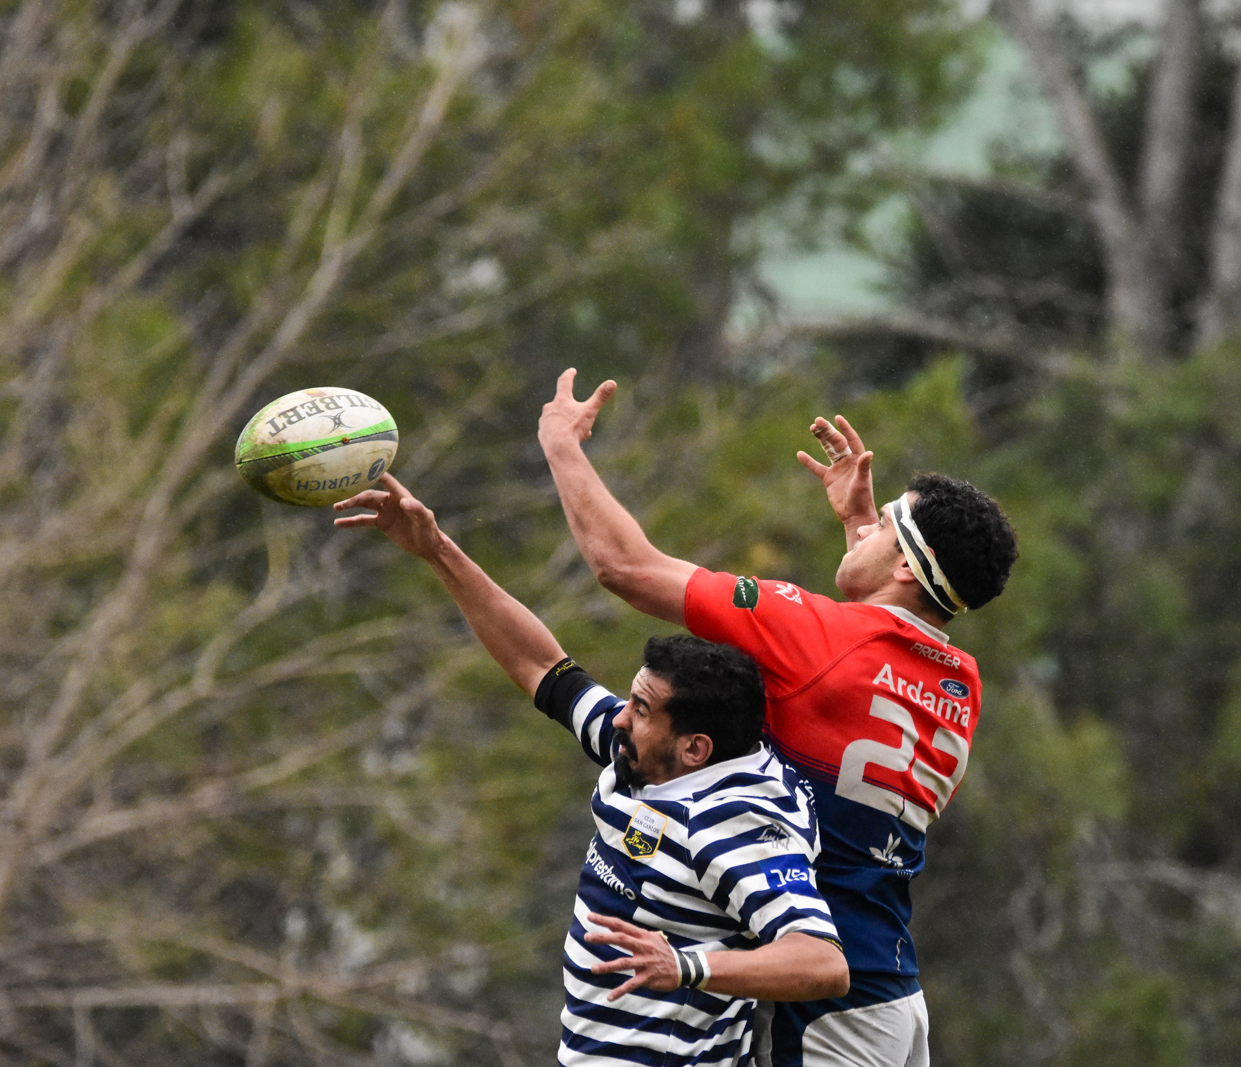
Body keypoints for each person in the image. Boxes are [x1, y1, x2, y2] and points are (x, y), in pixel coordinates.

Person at [536, 370, 1019, 1067]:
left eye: (885, 522)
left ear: (910, 566)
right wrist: (862, 533)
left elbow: (623, 567)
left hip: (831, 1005)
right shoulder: (959, 683)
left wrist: (562, 447)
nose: (868, 520)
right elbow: (869, 652)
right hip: (891, 995)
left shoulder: (814, 634)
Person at [333, 474, 849, 1067]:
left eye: (642, 710)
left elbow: (823, 962)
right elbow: (543, 667)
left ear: (695, 749)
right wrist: (436, 550)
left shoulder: (738, 818)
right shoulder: (644, 753)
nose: (620, 719)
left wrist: (687, 965)